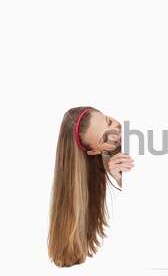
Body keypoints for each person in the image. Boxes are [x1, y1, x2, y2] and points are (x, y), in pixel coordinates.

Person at [48, 106, 134, 267]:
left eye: (108, 121)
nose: (115, 132)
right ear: (94, 152)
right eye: (104, 139)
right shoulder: (113, 162)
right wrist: (124, 182)